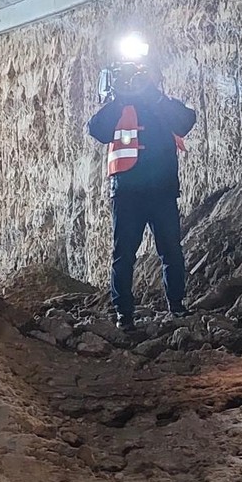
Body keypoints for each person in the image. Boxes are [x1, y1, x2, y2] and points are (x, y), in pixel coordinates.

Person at [87, 58, 196, 330]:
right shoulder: (117, 107)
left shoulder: (160, 104)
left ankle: (177, 306)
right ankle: (124, 314)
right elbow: (97, 130)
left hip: (161, 191)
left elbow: (185, 121)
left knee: (171, 251)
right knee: (124, 255)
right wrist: (119, 100)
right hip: (128, 192)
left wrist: (154, 95)